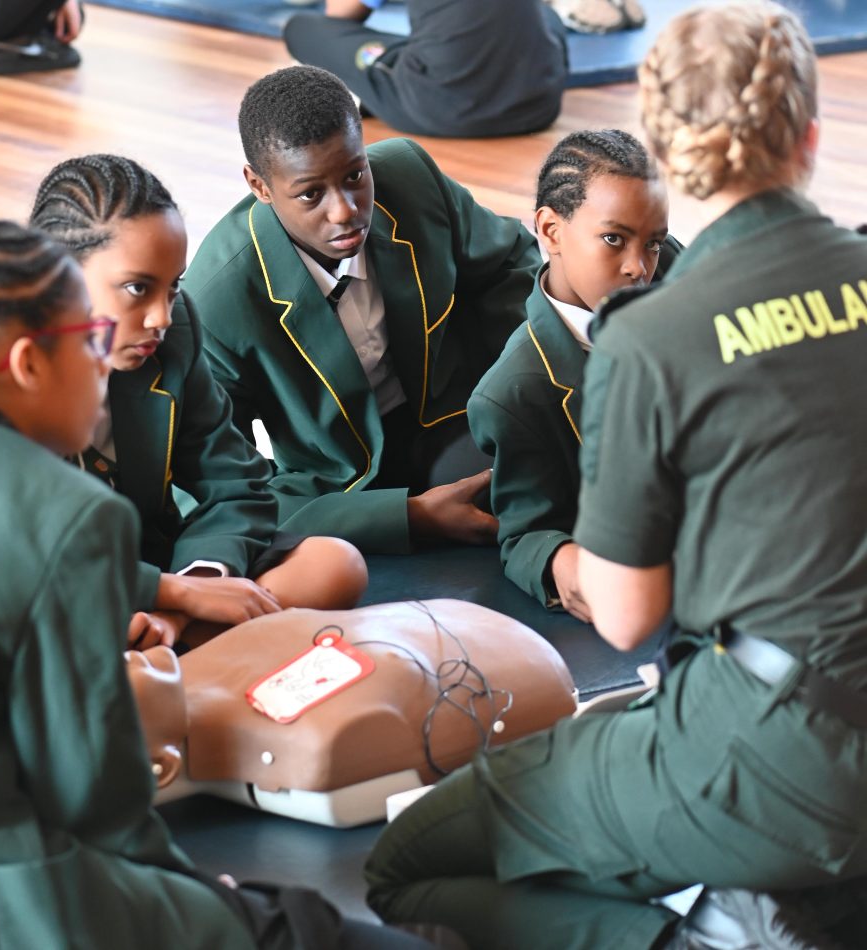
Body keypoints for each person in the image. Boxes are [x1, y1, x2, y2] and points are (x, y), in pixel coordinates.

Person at [364, 4, 867, 948]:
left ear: (670, 154)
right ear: (810, 135)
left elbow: (631, 617)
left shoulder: (654, 334)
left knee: (403, 866)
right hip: (818, 731)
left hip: (778, 745)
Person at [0, 214, 433, 950]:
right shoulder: (66, 518)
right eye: (88, 342)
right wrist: (202, 891)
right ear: (28, 364)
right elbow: (99, 802)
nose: (105, 364)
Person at [183, 65, 544, 556]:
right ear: (260, 186)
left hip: (455, 416)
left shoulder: (409, 175)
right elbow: (214, 488)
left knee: (544, 475)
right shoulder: (215, 300)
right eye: (311, 194)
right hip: (339, 486)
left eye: (355, 175)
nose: (345, 211)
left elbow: (511, 262)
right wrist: (408, 517)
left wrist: (510, 389)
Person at [30, 153, 367, 649]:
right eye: (137, 288)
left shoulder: (173, 332)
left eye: (173, 287)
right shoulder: (6, 383)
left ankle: (168, 651)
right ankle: (176, 659)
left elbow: (235, 483)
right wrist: (169, 593)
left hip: (161, 568)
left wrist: (195, 590)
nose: (161, 318)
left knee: (334, 565)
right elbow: (20, 561)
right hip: (65, 592)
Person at [468, 130, 679, 620]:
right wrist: (561, 561)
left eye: (652, 243)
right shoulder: (515, 392)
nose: (639, 268)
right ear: (550, 230)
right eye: (613, 240)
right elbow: (527, 532)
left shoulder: (671, 267)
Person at [126, 600, 576, 797]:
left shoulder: (196, 665)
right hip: (526, 665)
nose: (116, 663)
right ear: (161, 766)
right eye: (101, 704)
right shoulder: (318, 737)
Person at [282, 0, 567, 139]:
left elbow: (340, 16)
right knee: (545, 17)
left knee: (303, 28)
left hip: (441, 108)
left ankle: (370, 91)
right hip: (538, 104)